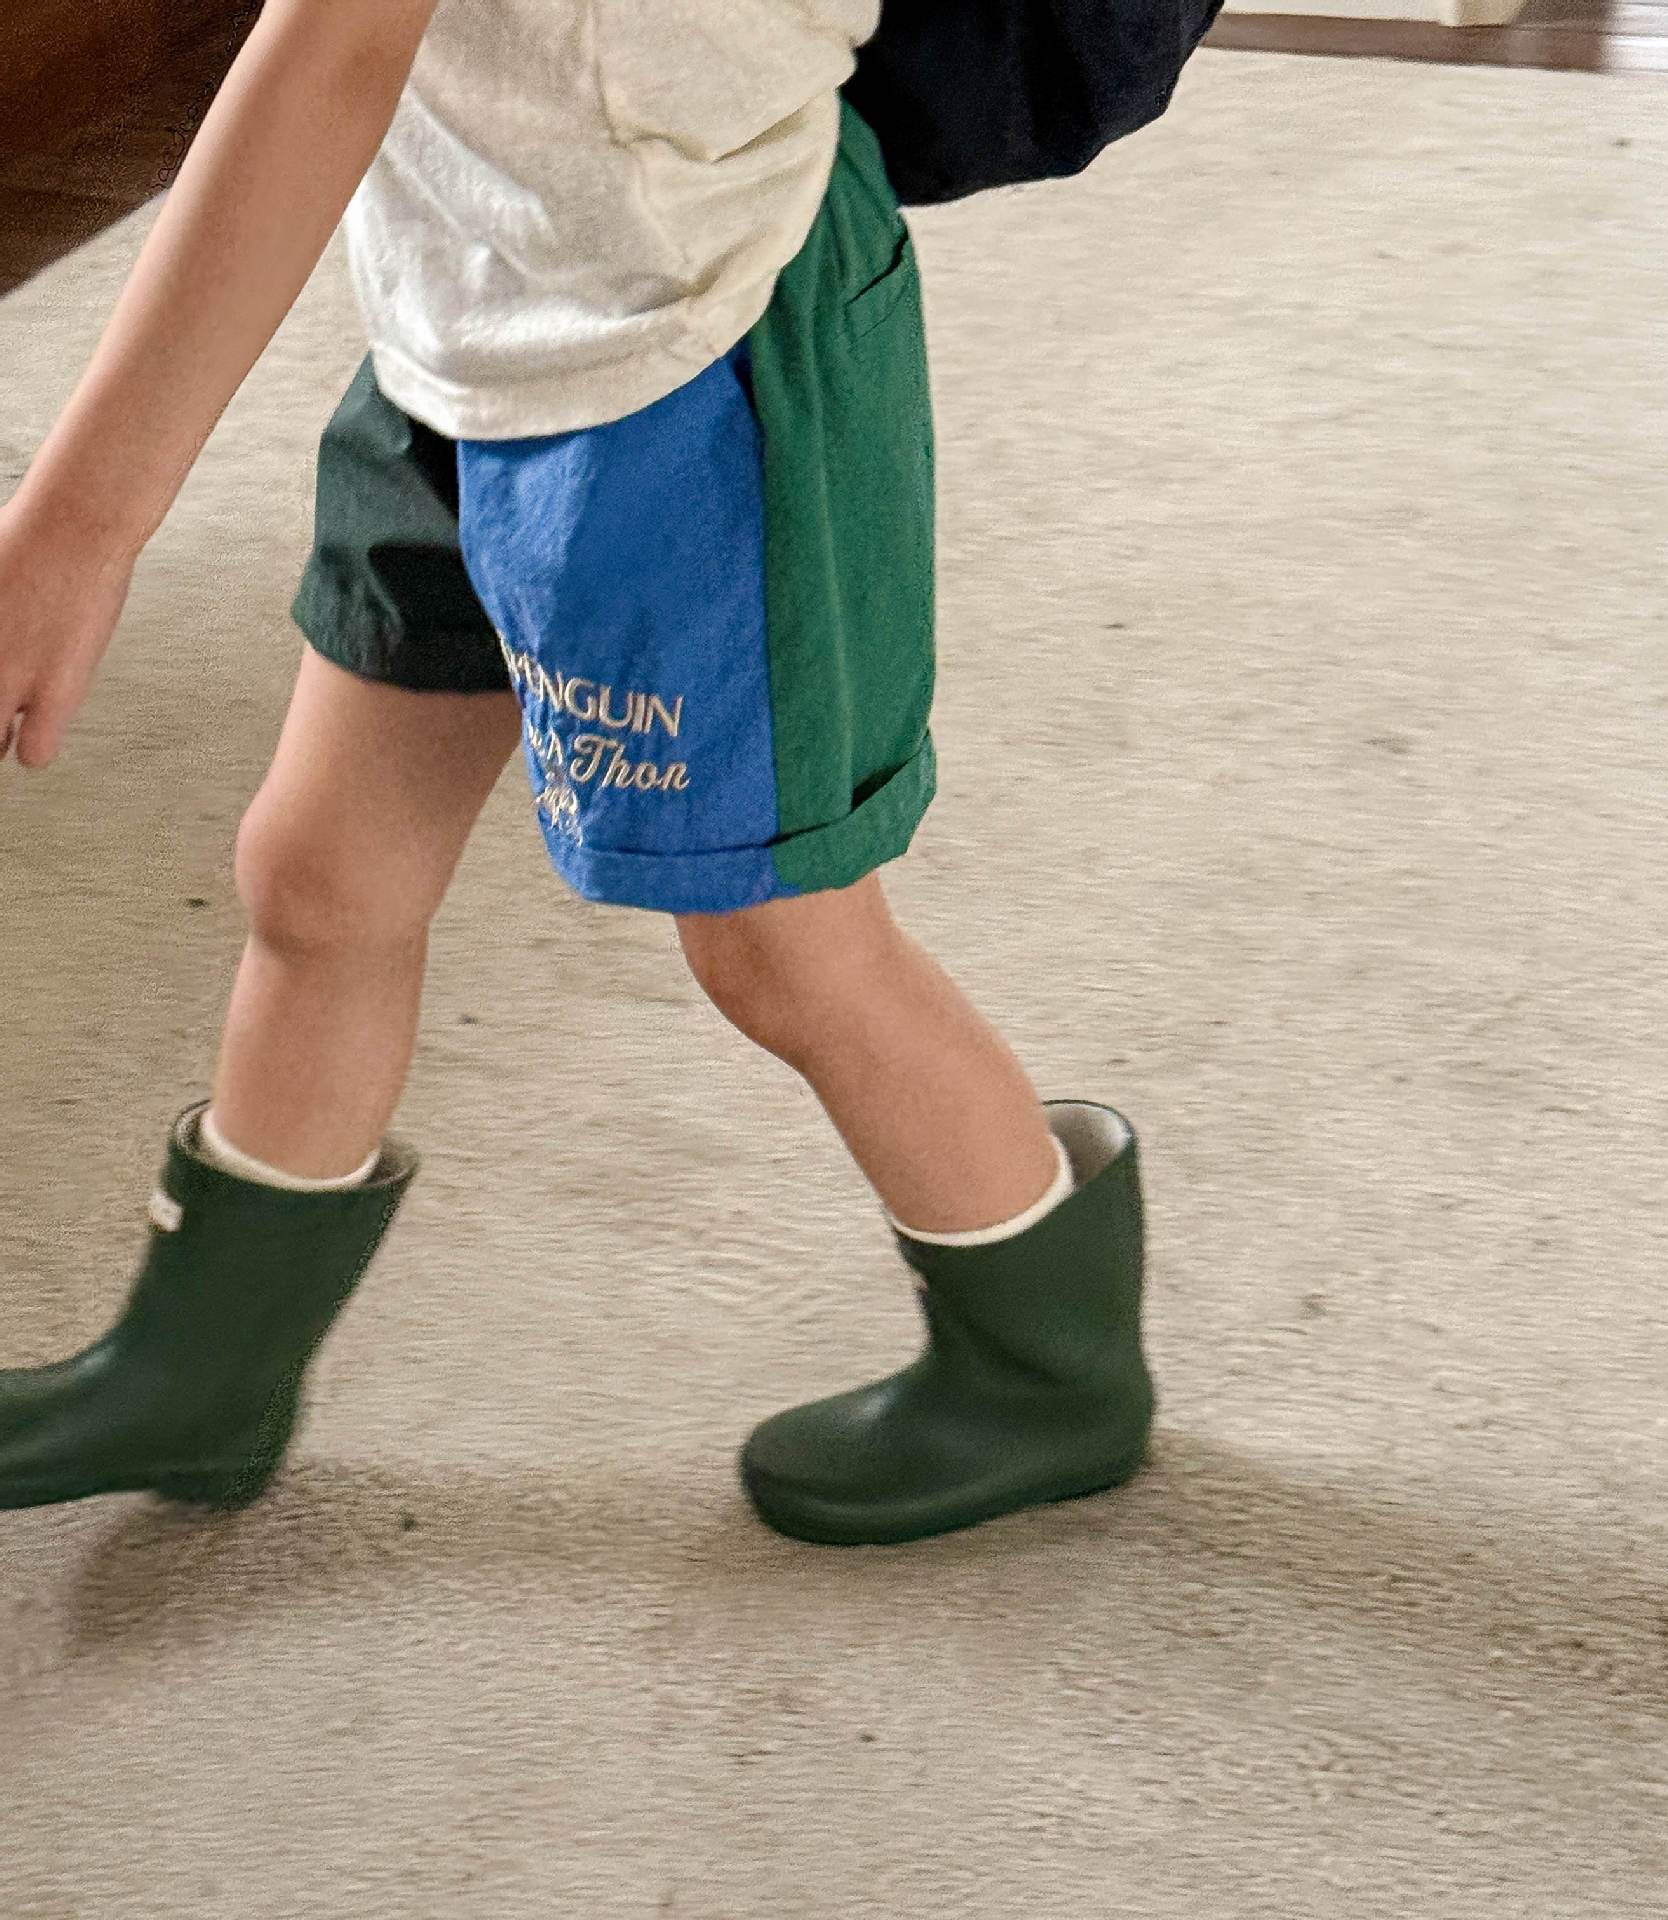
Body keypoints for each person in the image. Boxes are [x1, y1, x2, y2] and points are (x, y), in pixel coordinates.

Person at [0, 0, 1154, 1545]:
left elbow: (332, 53)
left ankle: (1047, 1367)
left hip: (692, 354)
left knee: (780, 942)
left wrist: (78, 527)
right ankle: (199, 1368)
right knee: (321, 872)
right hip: (465, 325)